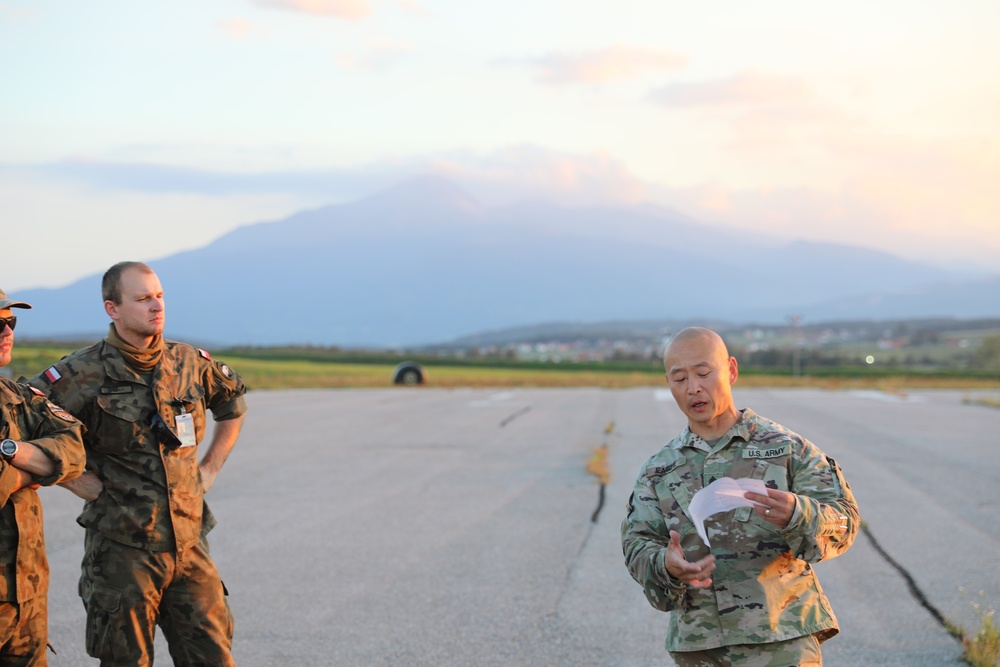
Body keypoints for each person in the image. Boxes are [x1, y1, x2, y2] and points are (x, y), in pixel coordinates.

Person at [28, 262, 248, 667]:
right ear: (113, 309)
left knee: (214, 658)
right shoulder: (81, 373)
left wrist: (210, 468)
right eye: (143, 298)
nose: (156, 306)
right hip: (122, 553)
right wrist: (75, 479)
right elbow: (25, 426)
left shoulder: (189, 362)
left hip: (189, 544)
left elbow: (232, 407)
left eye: (159, 295)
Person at [621, 327, 859, 667]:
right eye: (679, 379)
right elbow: (637, 543)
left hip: (782, 640)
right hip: (700, 646)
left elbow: (845, 520)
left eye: (703, 373)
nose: (693, 388)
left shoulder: (789, 450)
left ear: (731, 370)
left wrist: (799, 513)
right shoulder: (659, 469)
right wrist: (665, 564)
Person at [0, 288, 87, 666]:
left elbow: (74, 446)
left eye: (10, 322)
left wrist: (14, 454)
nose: (7, 332)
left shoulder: (16, 396)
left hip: (27, 598)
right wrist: (29, 474)